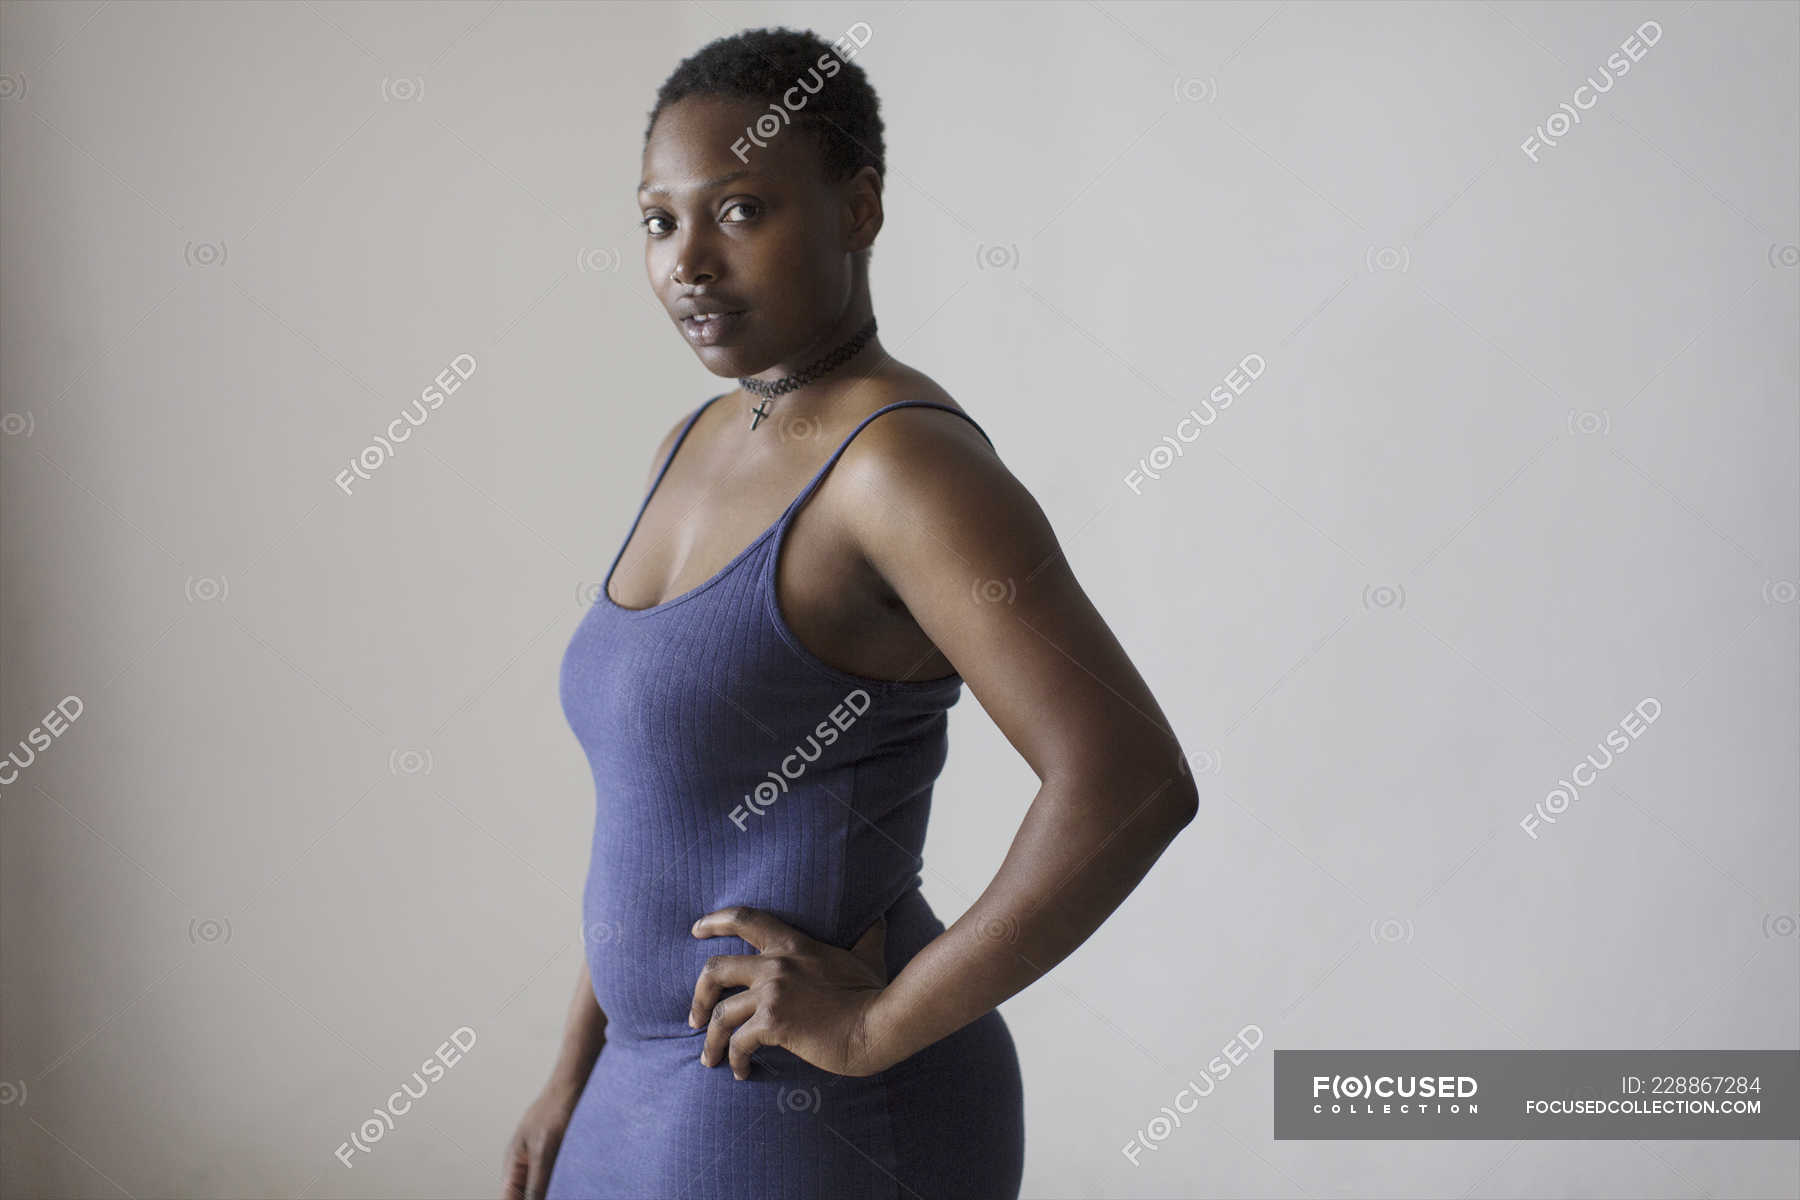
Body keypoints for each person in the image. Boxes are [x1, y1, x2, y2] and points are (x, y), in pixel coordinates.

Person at [504, 25, 1198, 1200]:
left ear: (859, 208)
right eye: (658, 221)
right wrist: (572, 1070)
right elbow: (660, 813)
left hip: (800, 1112)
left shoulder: (902, 468)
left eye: (738, 211)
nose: (688, 262)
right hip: (639, 1085)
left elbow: (1128, 778)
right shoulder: (697, 440)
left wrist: (876, 1028)